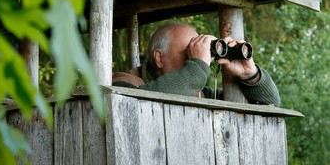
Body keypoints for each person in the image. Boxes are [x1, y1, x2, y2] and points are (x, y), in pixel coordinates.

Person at [112, 23, 280, 106]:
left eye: (199, 53)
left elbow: (271, 103)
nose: (197, 60)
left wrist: (250, 75)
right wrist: (198, 66)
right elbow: (131, 105)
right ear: (159, 58)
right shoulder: (124, 83)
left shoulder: (200, 94)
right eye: (189, 53)